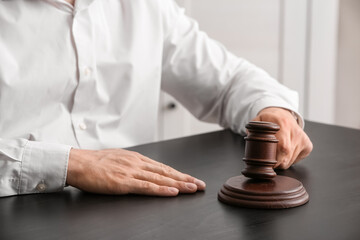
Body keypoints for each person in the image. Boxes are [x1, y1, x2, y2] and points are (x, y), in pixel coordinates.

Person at [0, 0, 312, 198]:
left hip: (136, 214)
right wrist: (69, 165)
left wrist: (272, 109)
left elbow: (227, 81)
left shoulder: (146, 6)